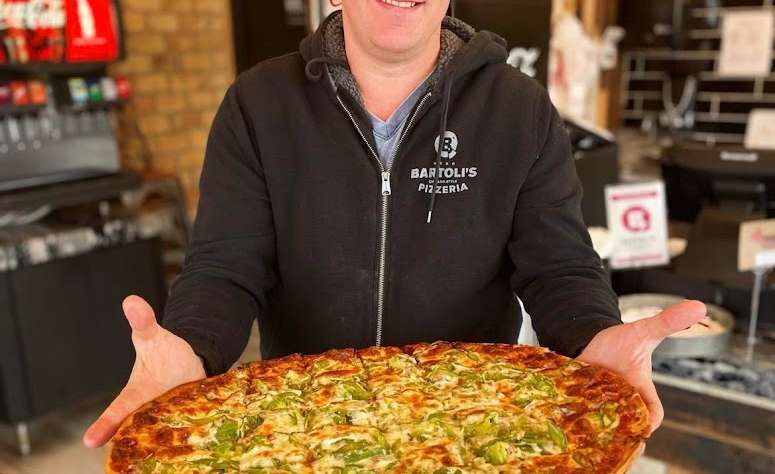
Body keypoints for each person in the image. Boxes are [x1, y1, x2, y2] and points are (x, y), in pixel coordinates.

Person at [84, 0, 706, 449]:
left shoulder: (520, 108)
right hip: (301, 431)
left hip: (475, 426)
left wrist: (595, 336)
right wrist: (191, 350)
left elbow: (560, 266)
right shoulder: (256, 104)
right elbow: (224, 268)